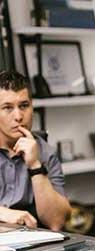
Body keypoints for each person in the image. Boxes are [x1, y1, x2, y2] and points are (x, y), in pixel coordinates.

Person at [0, 71, 70, 231]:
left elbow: (56, 222)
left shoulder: (46, 152)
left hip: (27, 244)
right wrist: (3, 213)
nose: (18, 116)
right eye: (7, 108)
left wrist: (35, 165)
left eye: (24, 106)